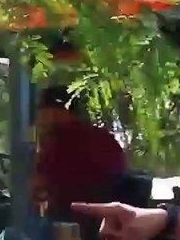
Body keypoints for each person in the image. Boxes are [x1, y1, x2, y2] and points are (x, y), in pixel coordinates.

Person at [32, 85, 127, 216]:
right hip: (106, 219)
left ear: (56, 111)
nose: (40, 118)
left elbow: (38, 190)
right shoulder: (105, 139)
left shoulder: (58, 143)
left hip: (69, 220)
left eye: (43, 111)